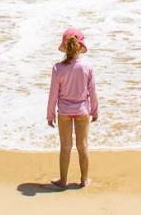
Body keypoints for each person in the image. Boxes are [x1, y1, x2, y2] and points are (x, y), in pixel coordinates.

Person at [46, 27, 99, 189]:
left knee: (65, 147)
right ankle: (84, 180)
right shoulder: (87, 67)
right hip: (82, 110)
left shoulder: (58, 68)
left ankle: (63, 181)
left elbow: (53, 94)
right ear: (80, 46)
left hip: (64, 112)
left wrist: (50, 115)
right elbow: (93, 91)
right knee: (82, 146)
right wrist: (95, 111)